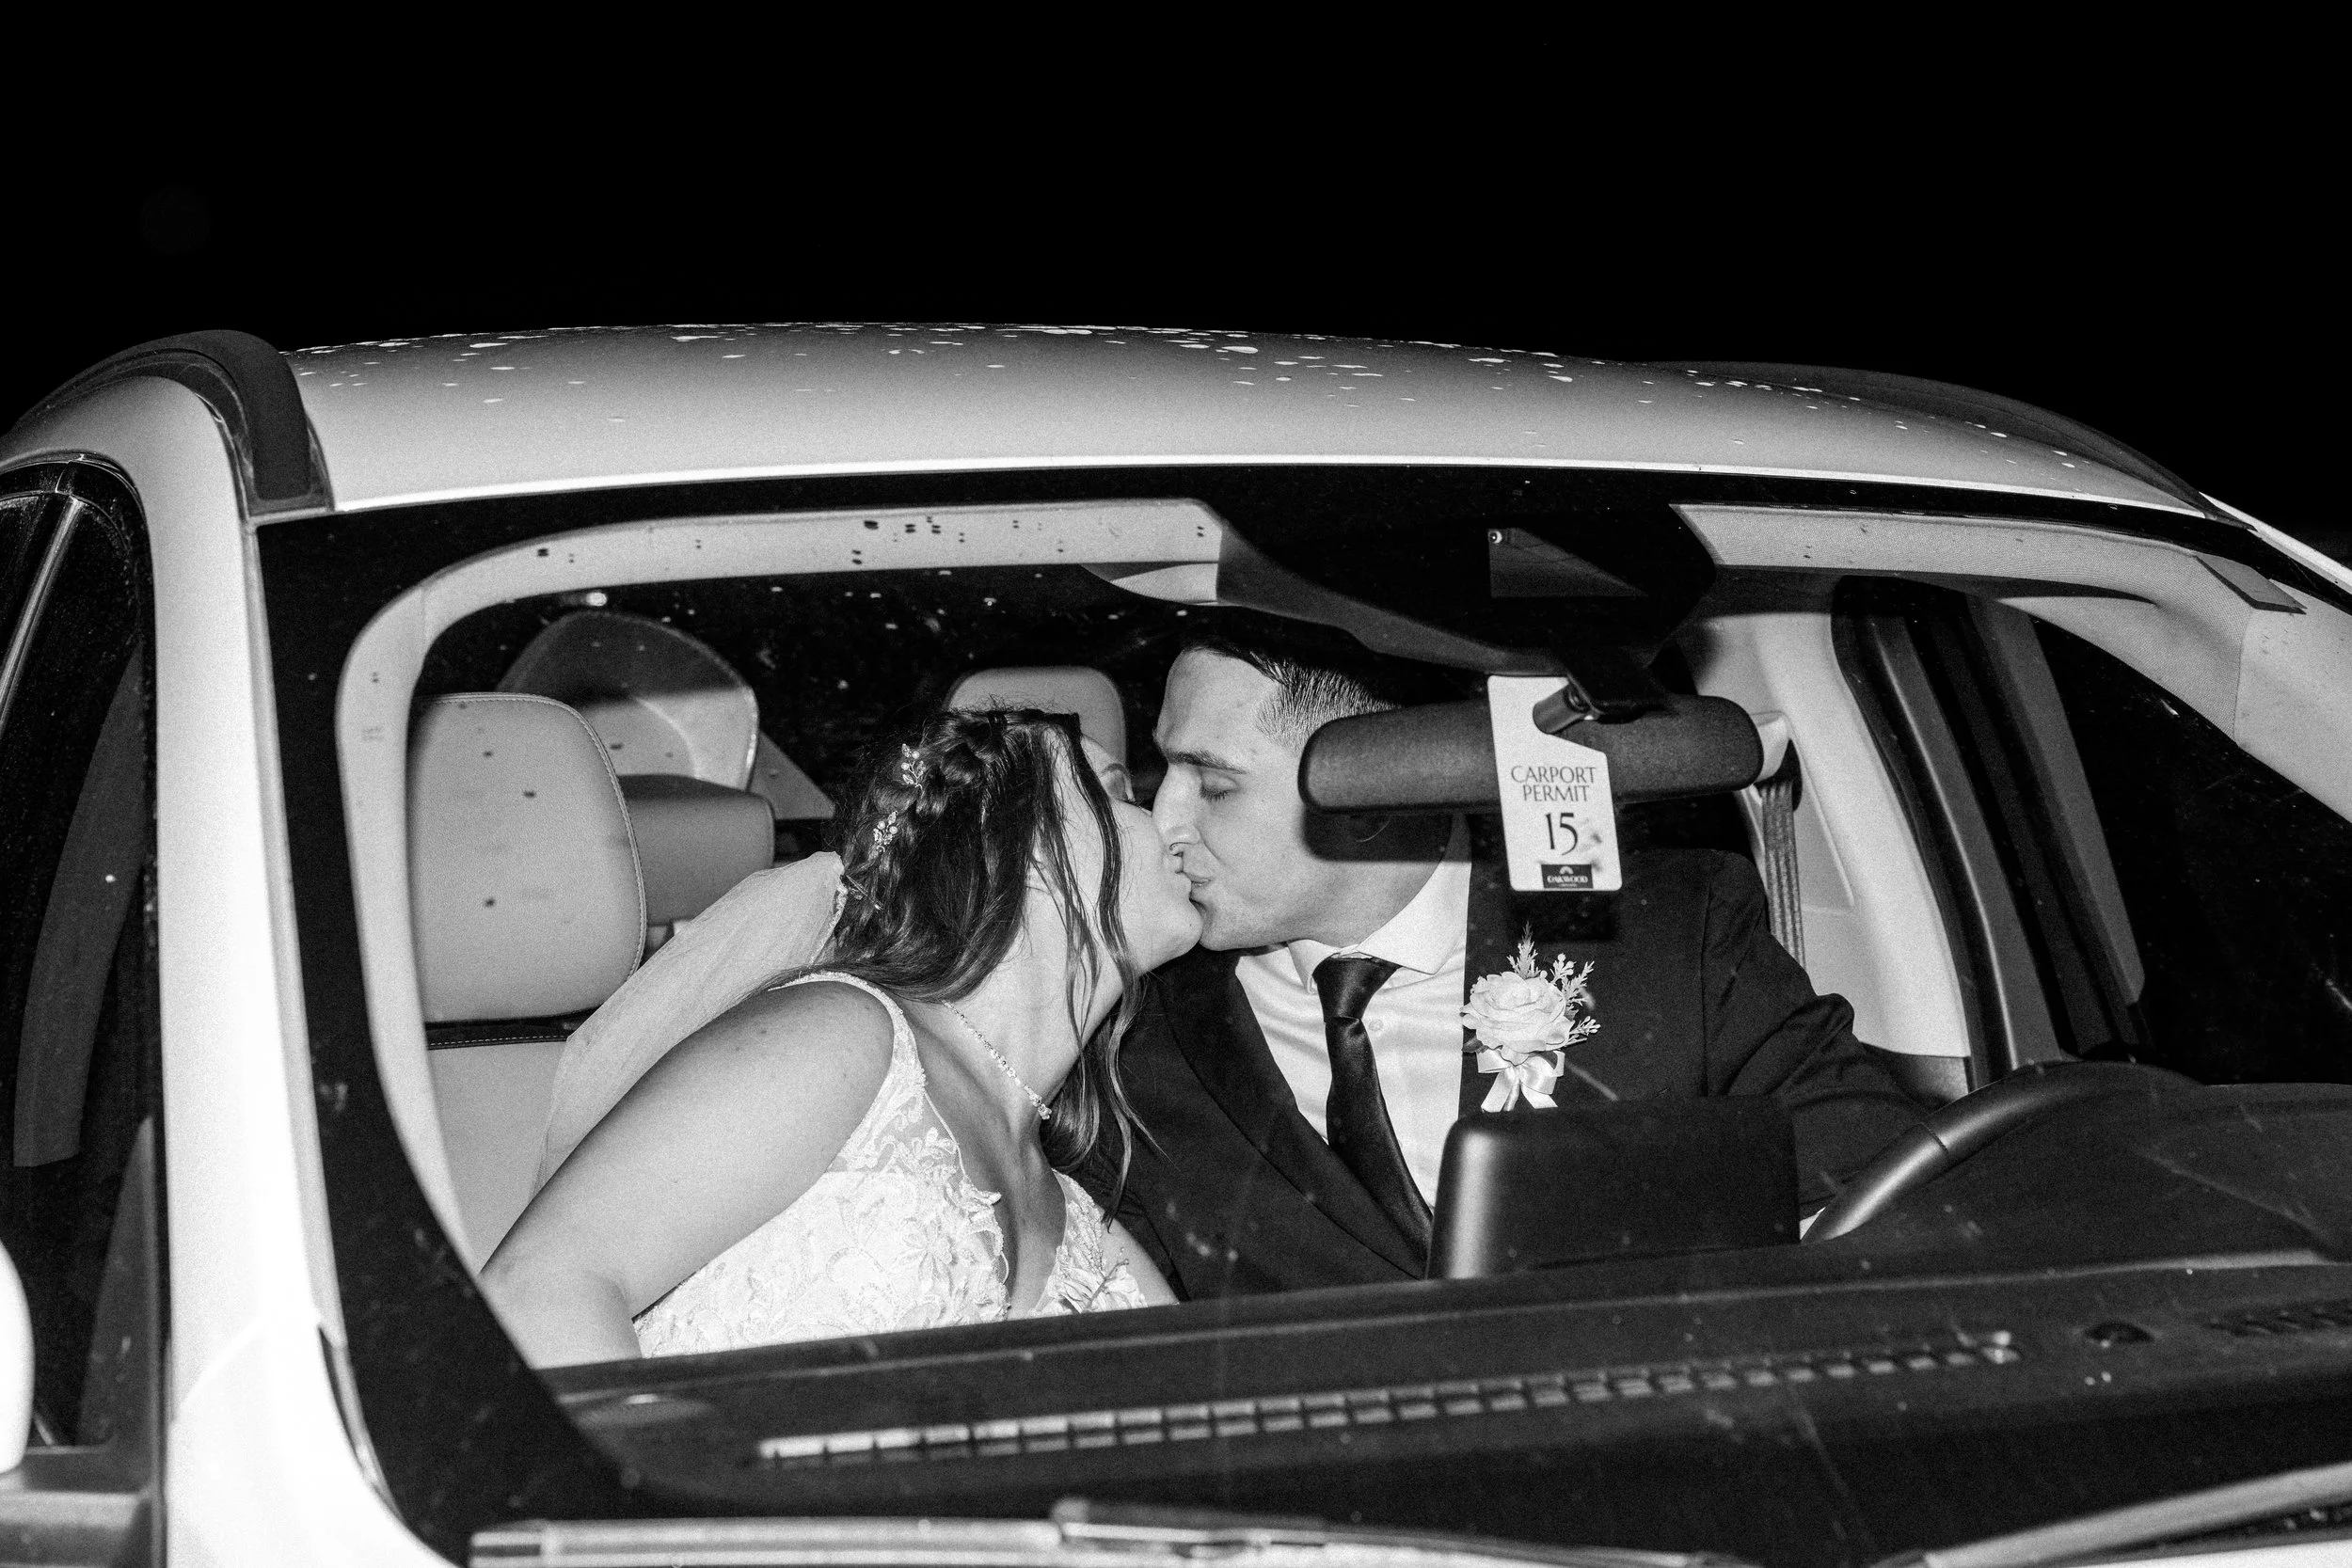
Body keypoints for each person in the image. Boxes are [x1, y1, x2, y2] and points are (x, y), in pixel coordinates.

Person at [1095, 620, 1924, 1298]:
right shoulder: (1132, 1027)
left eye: (1213, 785)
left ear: (1376, 783)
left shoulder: (1675, 932)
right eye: (1162, 771)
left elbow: (1889, 1202)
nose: (1163, 820)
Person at [483, 708, 1198, 1366]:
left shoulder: (1085, 1226)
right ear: (1027, 846)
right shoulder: (844, 1037)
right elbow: (539, 1290)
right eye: (1120, 793)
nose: (1167, 819)